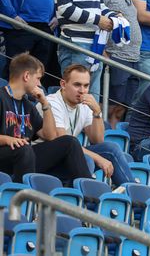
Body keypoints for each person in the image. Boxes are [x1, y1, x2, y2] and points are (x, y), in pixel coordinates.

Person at [0, 53, 90, 184]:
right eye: (38, 78)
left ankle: (87, 195)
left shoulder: (28, 105)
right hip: (6, 155)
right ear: (26, 76)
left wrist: (45, 104)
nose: (39, 84)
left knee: (70, 142)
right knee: (25, 149)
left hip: (25, 157)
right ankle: (22, 197)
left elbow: (51, 136)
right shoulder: (1, 97)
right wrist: (8, 140)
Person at [48, 64, 133, 185]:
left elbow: (98, 140)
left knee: (111, 148)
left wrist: (97, 112)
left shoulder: (84, 104)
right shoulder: (53, 102)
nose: (82, 90)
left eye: (86, 85)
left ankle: (134, 195)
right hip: (49, 158)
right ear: (63, 84)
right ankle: (83, 198)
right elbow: (63, 142)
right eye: (77, 85)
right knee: (87, 159)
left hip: (69, 154)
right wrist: (98, 158)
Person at [98, 0, 141, 127]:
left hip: (133, 57)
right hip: (115, 56)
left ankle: (112, 137)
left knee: (122, 107)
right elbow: (98, 20)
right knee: (108, 105)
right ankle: (101, 140)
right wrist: (102, 51)